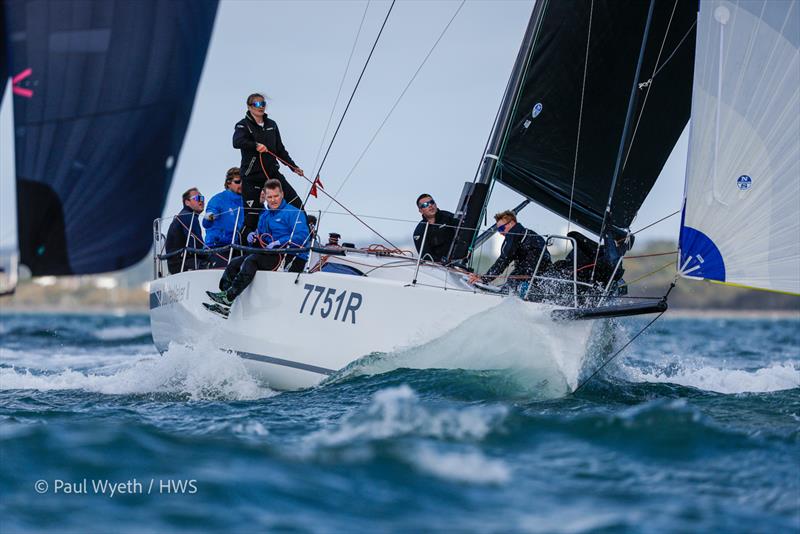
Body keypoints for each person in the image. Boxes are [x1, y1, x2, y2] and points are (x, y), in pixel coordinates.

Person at [206, 180, 309, 307]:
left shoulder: (294, 213)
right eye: (270, 197)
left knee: (251, 261)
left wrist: (278, 242)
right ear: (265, 197)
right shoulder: (265, 215)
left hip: (287, 255)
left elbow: (302, 236)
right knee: (235, 263)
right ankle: (224, 302)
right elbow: (260, 238)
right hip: (268, 253)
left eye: (276, 196)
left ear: (282, 194)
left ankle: (228, 298)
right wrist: (254, 237)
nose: (273, 200)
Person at [233, 93, 305, 239]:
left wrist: (293, 166)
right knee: (251, 216)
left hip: (272, 174)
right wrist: (255, 145)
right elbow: (237, 142)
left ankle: (303, 238)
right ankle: (245, 249)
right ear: (249, 107)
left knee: (296, 204)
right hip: (252, 177)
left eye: (263, 104)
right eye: (257, 104)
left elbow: (279, 149)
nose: (261, 107)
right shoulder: (242, 125)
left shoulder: (272, 124)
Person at [467, 210, 551, 295]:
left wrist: (484, 279)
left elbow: (503, 259)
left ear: (511, 223)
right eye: (498, 230)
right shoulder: (529, 233)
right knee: (512, 280)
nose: (500, 233)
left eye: (501, 228)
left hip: (531, 272)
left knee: (512, 282)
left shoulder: (513, 234)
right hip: (542, 274)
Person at [202, 167, 244, 267]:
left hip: (239, 248)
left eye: (243, 181)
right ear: (228, 183)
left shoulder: (246, 201)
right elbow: (206, 223)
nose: (241, 185)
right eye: (237, 182)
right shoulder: (218, 199)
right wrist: (209, 217)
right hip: (218, 247)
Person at [165, 188, 206, 274]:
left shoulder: (182, 216)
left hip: (174, 265)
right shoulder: (189, 217)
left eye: (202, 198)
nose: (201, 201)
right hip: (184, 264)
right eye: (197, 198)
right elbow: (197, 245)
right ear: (187, 202)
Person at [412, 194, 462, 263]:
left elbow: (465, 233)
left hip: (457, 262)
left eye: (431, 202)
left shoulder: (449, 217)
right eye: (425, 205)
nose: (430, 205)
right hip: (436, 267)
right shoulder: (419, 231)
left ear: (435, 204)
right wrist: (441, 261)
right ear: (420, 210)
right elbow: (425, 256)